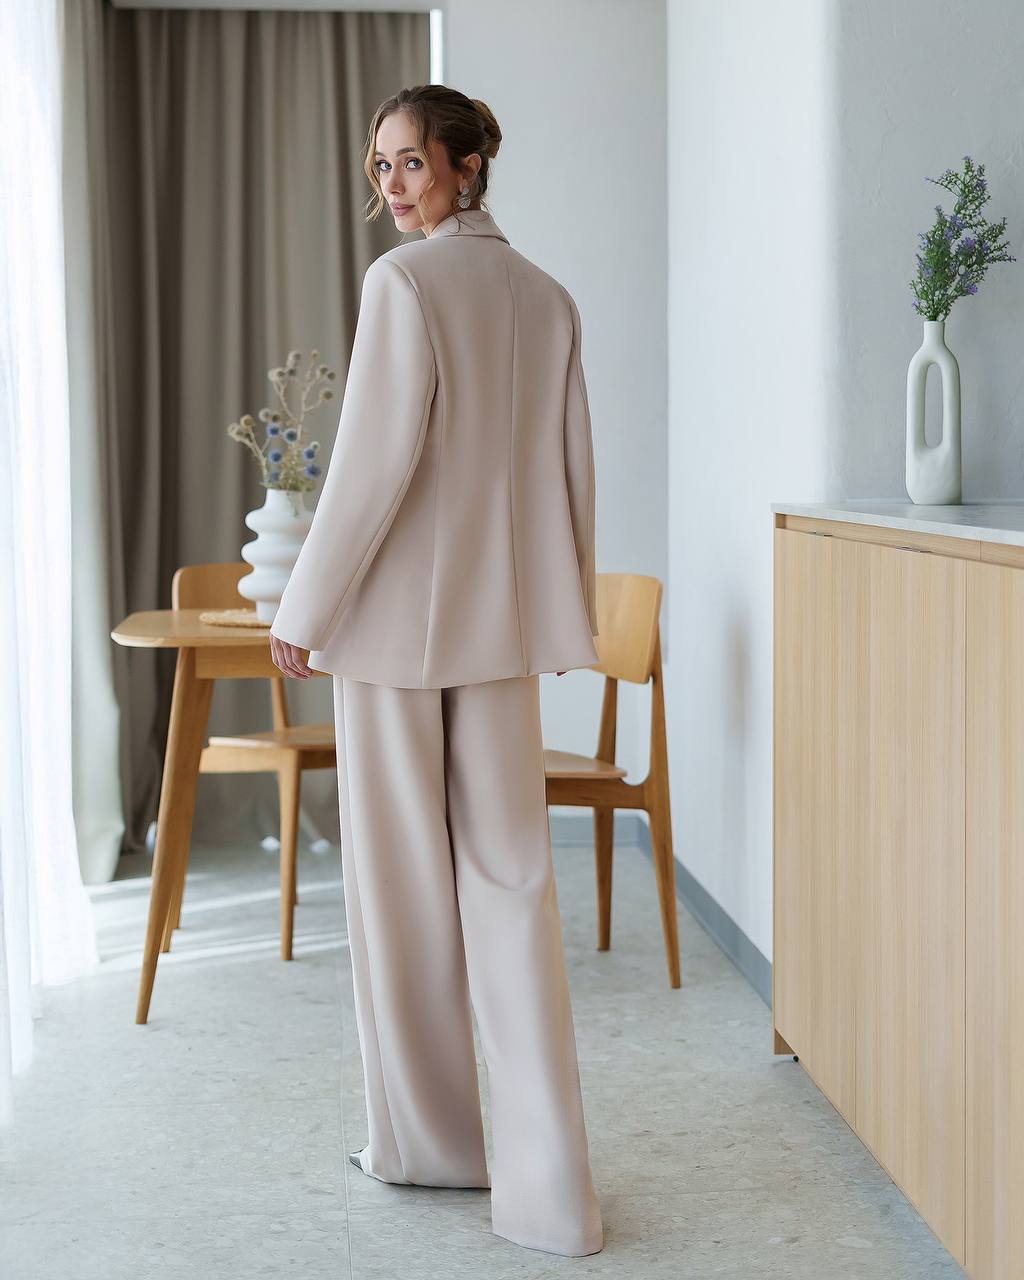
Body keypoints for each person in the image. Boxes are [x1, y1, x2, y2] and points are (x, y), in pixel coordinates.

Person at [268, 84, 603, 1258]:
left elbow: (370, 472)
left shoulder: (400, 285)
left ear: (466, 166)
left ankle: (432, 1145)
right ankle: (555, 1192)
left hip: (399, 640)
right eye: (380, 167)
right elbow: (569, 480)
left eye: (411, 162)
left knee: (405, 900)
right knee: (513, 889)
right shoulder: (548, 300)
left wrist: (304, 608)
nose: (392, 186)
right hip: (501, 637)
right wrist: (560, 618)